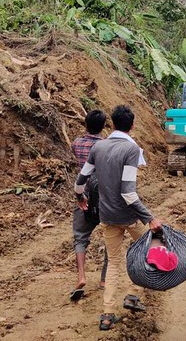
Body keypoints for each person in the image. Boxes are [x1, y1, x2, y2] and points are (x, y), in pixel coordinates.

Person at [74, 105, 163, 331]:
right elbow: (128, 192)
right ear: (132, 126)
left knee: (113, 263)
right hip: (129, 215)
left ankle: (106, 315)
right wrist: (149, 218)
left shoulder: (99, 147)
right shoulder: (131, 150)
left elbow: (80, 180)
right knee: (148, 249)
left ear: (111, 124)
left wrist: (79, 198)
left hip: (107, 215)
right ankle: (134, 294)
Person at [69, 109, 108, 302]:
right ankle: (104, 279)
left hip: (83, 195)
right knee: (112, 235)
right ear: (103, 126)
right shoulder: (106, 146)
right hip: (104, 197)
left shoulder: (76, 143)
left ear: (85, 124)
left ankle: (82, 276)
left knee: (80, 237)